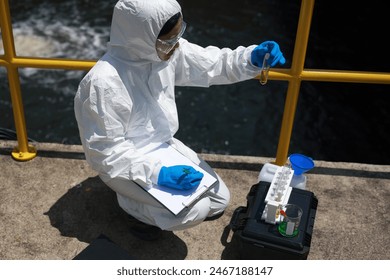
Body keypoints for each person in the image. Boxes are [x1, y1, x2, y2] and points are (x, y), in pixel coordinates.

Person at [74, 0, 285, 240]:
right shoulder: (103, 84)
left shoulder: (163, 51)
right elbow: (106, 154)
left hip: (162, 147)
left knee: (218, 202)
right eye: (168, 40)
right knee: (194, 211)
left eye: (178, 35)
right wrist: (157, 174)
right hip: (124, 166)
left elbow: (211, 65)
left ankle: (148, 201)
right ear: (140, 39)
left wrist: (250, 59)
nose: (176, 46)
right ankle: (130, 206)